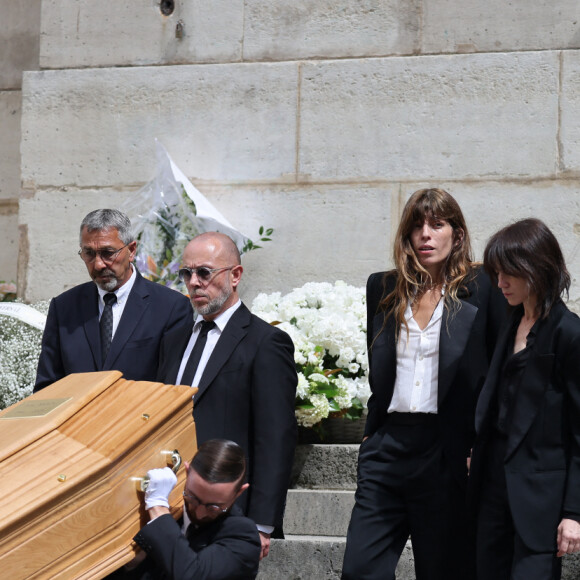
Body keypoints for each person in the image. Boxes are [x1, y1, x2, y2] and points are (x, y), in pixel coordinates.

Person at [341, 188, 506, 580]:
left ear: (458, 234)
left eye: (437, 224)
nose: (426, 235)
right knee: (360, 569)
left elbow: (499, 371)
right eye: (417, 226)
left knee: (443, 570)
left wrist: (479, 444)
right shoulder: (382, 287)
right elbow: (380, 368)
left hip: (446, 448)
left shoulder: (484, 286)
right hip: (388, 446)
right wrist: (370, 436)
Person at [156, 231, 297, 560]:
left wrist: (262, 523)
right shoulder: (174, 340)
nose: (193, 282)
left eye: (204, 272)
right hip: (170, 503)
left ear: (235, 275)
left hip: (228, 510)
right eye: (186, 273)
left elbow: (275, 436)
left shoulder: (265, 342)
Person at [469, 218, 580, 579]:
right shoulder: (509, 321)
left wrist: (574, 513)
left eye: (508, 274)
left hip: (541, 500)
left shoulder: (569, 334)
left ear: (536, 269)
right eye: (496, 273)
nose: (499, 283)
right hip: (493, 489)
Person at [34, 209, 192, 391]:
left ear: (131, 250)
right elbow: (47, 388)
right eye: (89, 253)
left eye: (108, 253)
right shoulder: (64, 308)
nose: (98, 264)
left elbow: (172, 388)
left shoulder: (170, 308)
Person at [112, 439, 261, 580]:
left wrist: (157, 506)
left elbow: (193, 575)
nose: (199, 513)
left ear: (239, 492)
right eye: (193, 498)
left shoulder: (243, 537)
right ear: (187, 472)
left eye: (214, 507)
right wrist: (130, 565)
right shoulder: (168, 517)